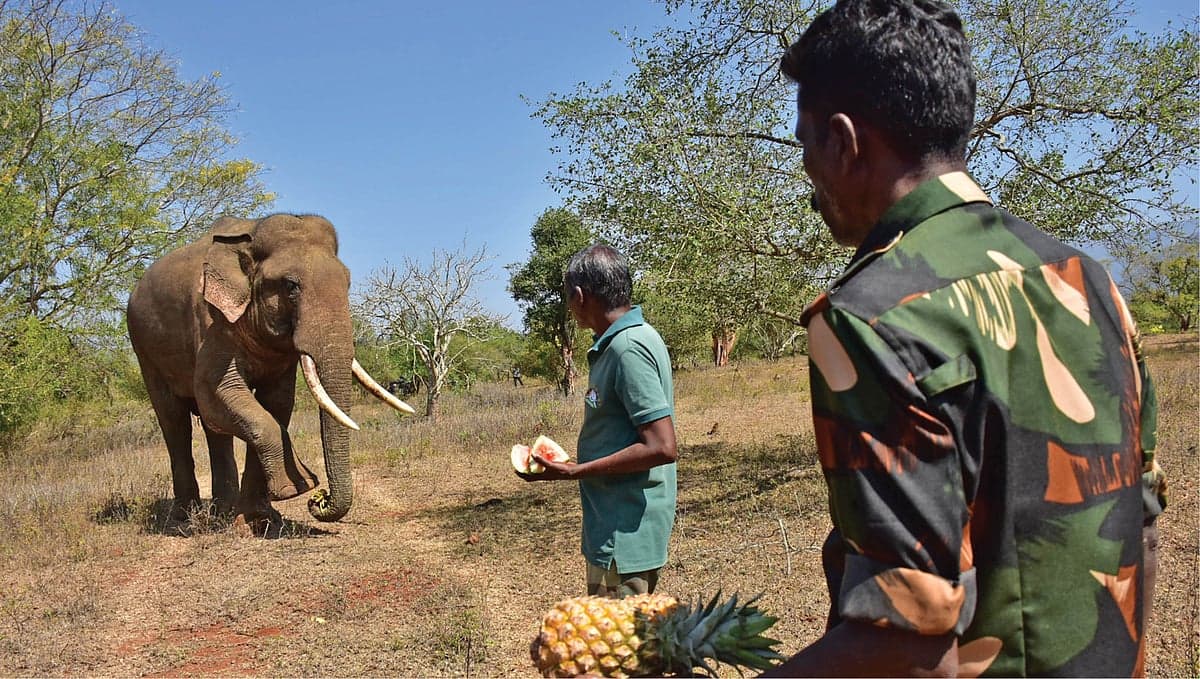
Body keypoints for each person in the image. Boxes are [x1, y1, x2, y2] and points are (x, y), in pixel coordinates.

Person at [767, 0, 1167, 676]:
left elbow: (909, 642)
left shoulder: (868, 316)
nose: (810, 179)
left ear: (842, 140)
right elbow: (1144, 525)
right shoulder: (1090, 282)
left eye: (806, 146)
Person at [516, 244, 678, 598]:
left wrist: (576, 471)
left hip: (625, 536)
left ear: (578, 296)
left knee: (616, 649)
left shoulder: (627, 348)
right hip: (614, 528)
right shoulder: (627, 341)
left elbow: (662, 446)